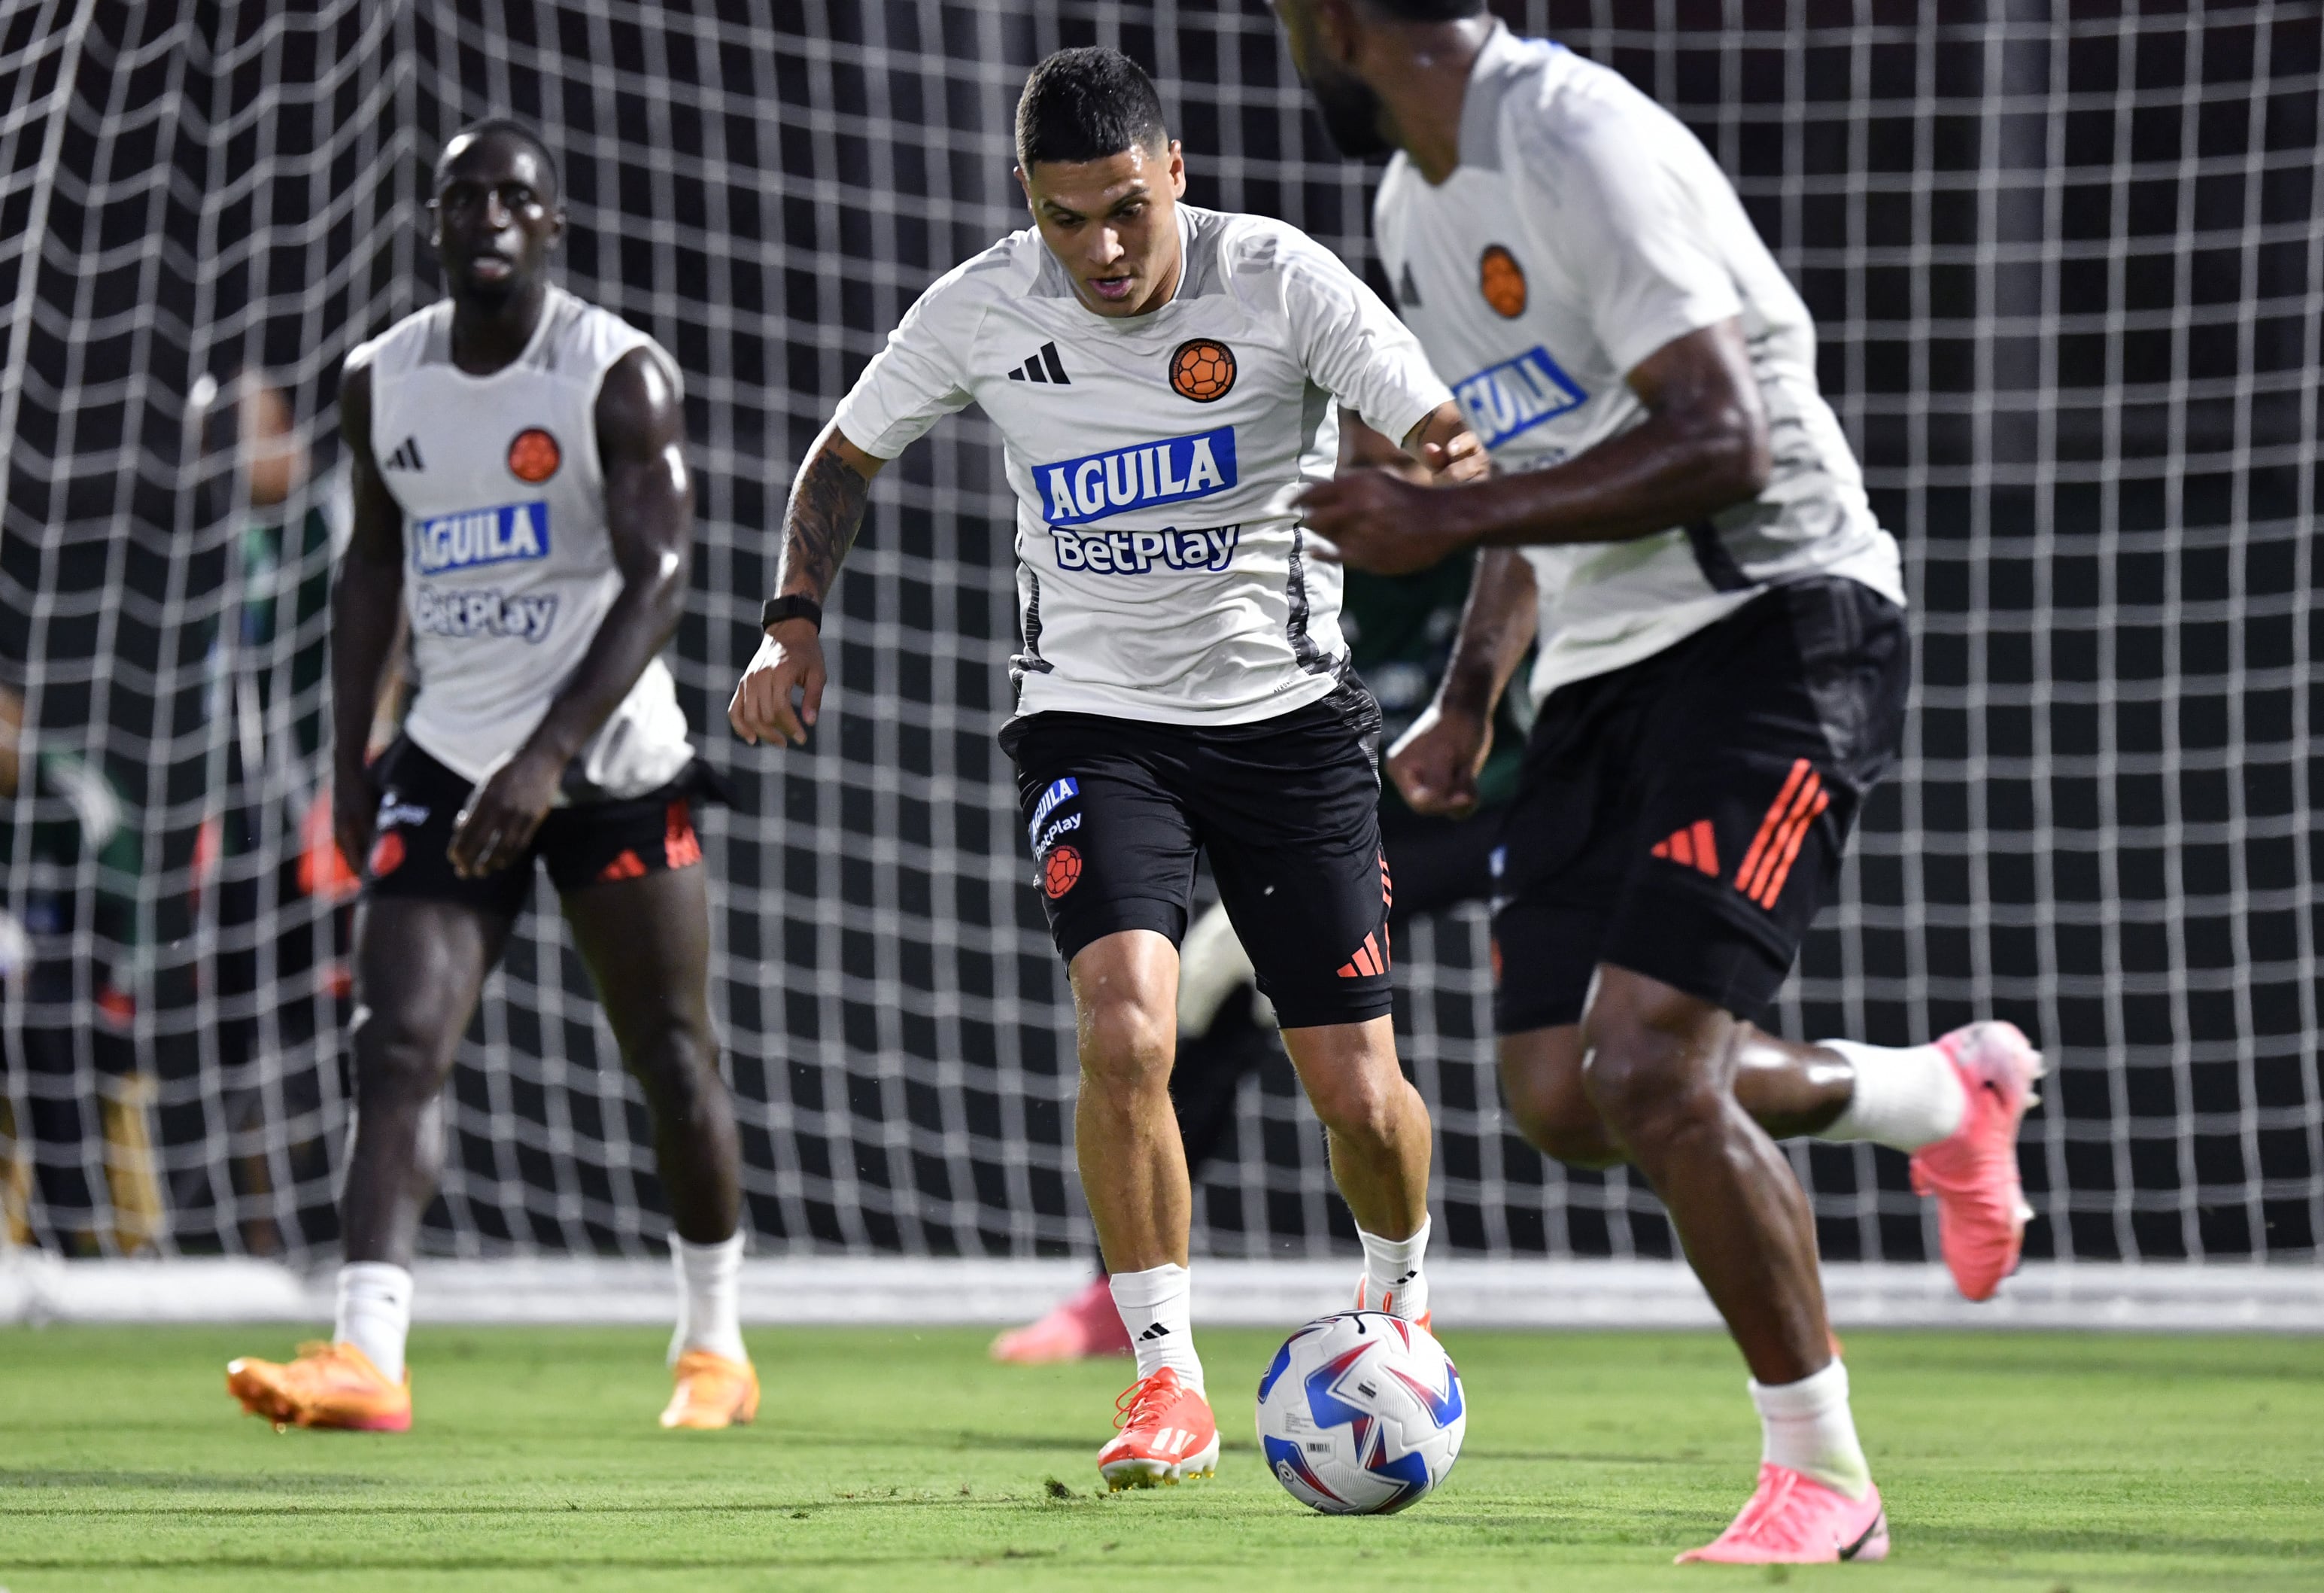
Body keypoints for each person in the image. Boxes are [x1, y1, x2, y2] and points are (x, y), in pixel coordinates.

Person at [1271, 0, 2046, 1564]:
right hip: (1602, 667)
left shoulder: (1573, 138)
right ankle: (1929, 1095)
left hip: (1777, 623)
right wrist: (1471, 690)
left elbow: (1725, 438)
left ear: (1338, 18)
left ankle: (1821, 1478)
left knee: (1646, 1066)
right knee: (1561, 1089)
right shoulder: (1410, 201)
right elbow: (1514, 468)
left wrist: (1431, 531)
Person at [730, 48, 1482, 1490]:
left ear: (1176, 172)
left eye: (1126, 209)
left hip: (1287, 723)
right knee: (1125, 1029)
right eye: (1065, 219)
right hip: (1093, 721)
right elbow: (842, 455)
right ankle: (1163, 1381)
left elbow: (1434, 429)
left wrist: (1443, 478)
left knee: (1356, 1093)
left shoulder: (1275, 280)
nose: (1103, 249)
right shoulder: (981, 304)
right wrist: (789, 625)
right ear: (1029, 201)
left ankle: (1396, 1306)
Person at [226, 119, 755, 1434]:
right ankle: (366, 1355)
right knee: (395, 1040)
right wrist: (358, 750)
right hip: (452, 753)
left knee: (671, 1055)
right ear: (435, 224)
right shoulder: (380, 381)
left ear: (552, 226)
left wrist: (548, 756)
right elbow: (370, 570)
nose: (488, 217)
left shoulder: (612, 374)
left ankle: (713, 1344)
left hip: (609, 761)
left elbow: (661, 580)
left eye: (514, 197)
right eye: (463, 198)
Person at [992, 416, 1527, 1365]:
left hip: (1511, 822)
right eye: (1368, 465)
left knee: (1602, 1055)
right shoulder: (1288, 552)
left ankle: (1867, 1108)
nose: (1392, 484)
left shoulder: (1496, 553)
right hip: (1360, 821)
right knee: (1193, 1000)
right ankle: (1113, 1295)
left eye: (1410, 461)